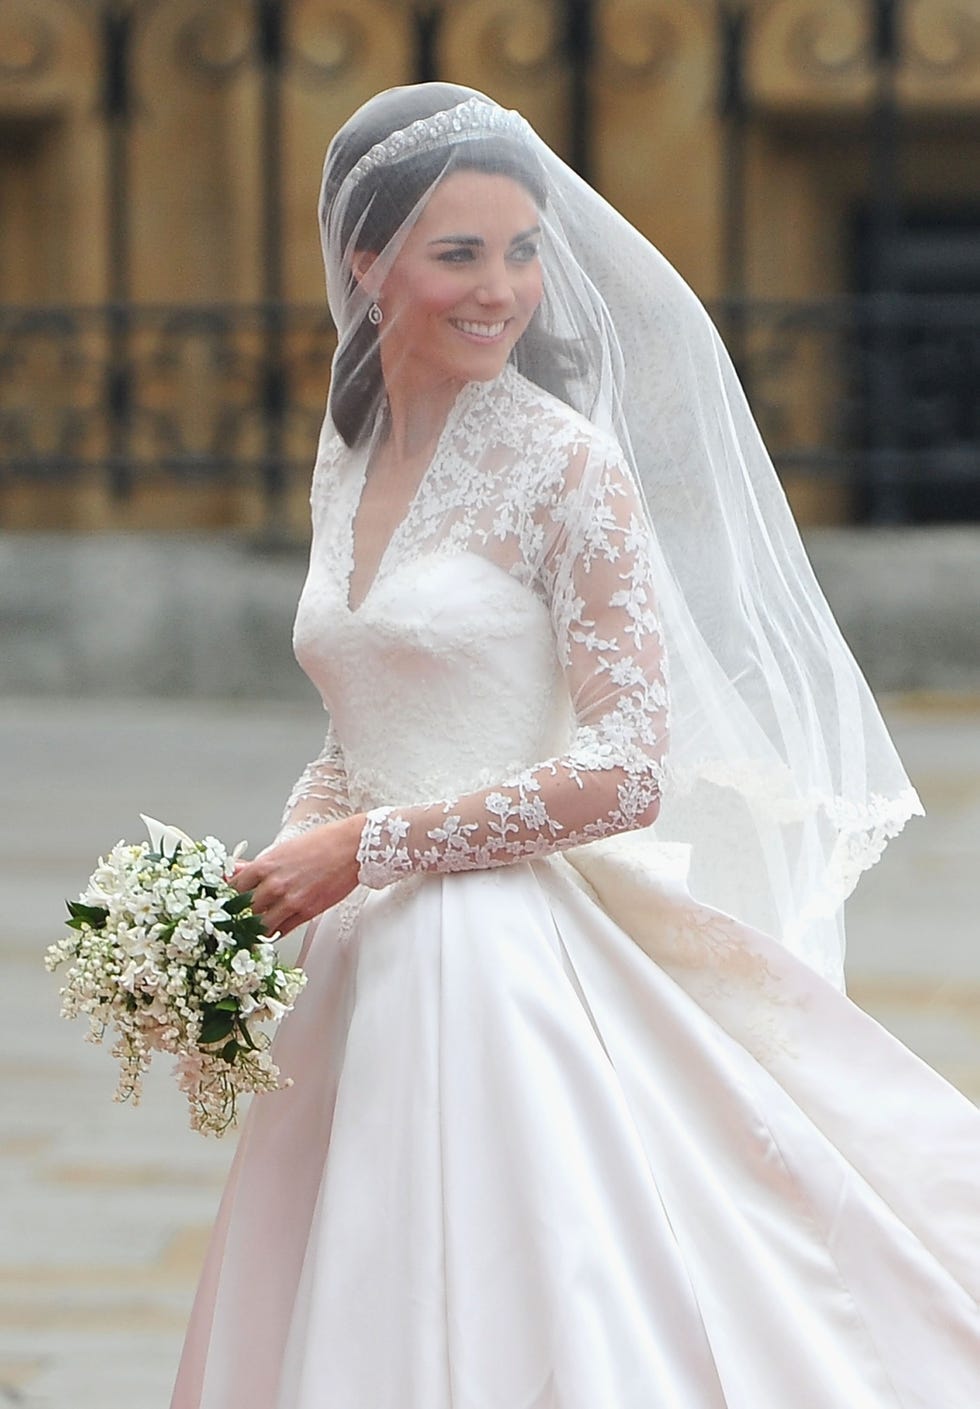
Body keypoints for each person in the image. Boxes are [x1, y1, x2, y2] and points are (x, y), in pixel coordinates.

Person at [171, 84, 980, 1408]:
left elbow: (626, 768)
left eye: (524, 249)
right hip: (353, 955)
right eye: (460, 254)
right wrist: (256, 888)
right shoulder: (349, 444)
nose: (503, 289)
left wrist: (358, 848)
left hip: (498, 958)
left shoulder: (568, 465)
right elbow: (360, 717)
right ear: (366, 264)